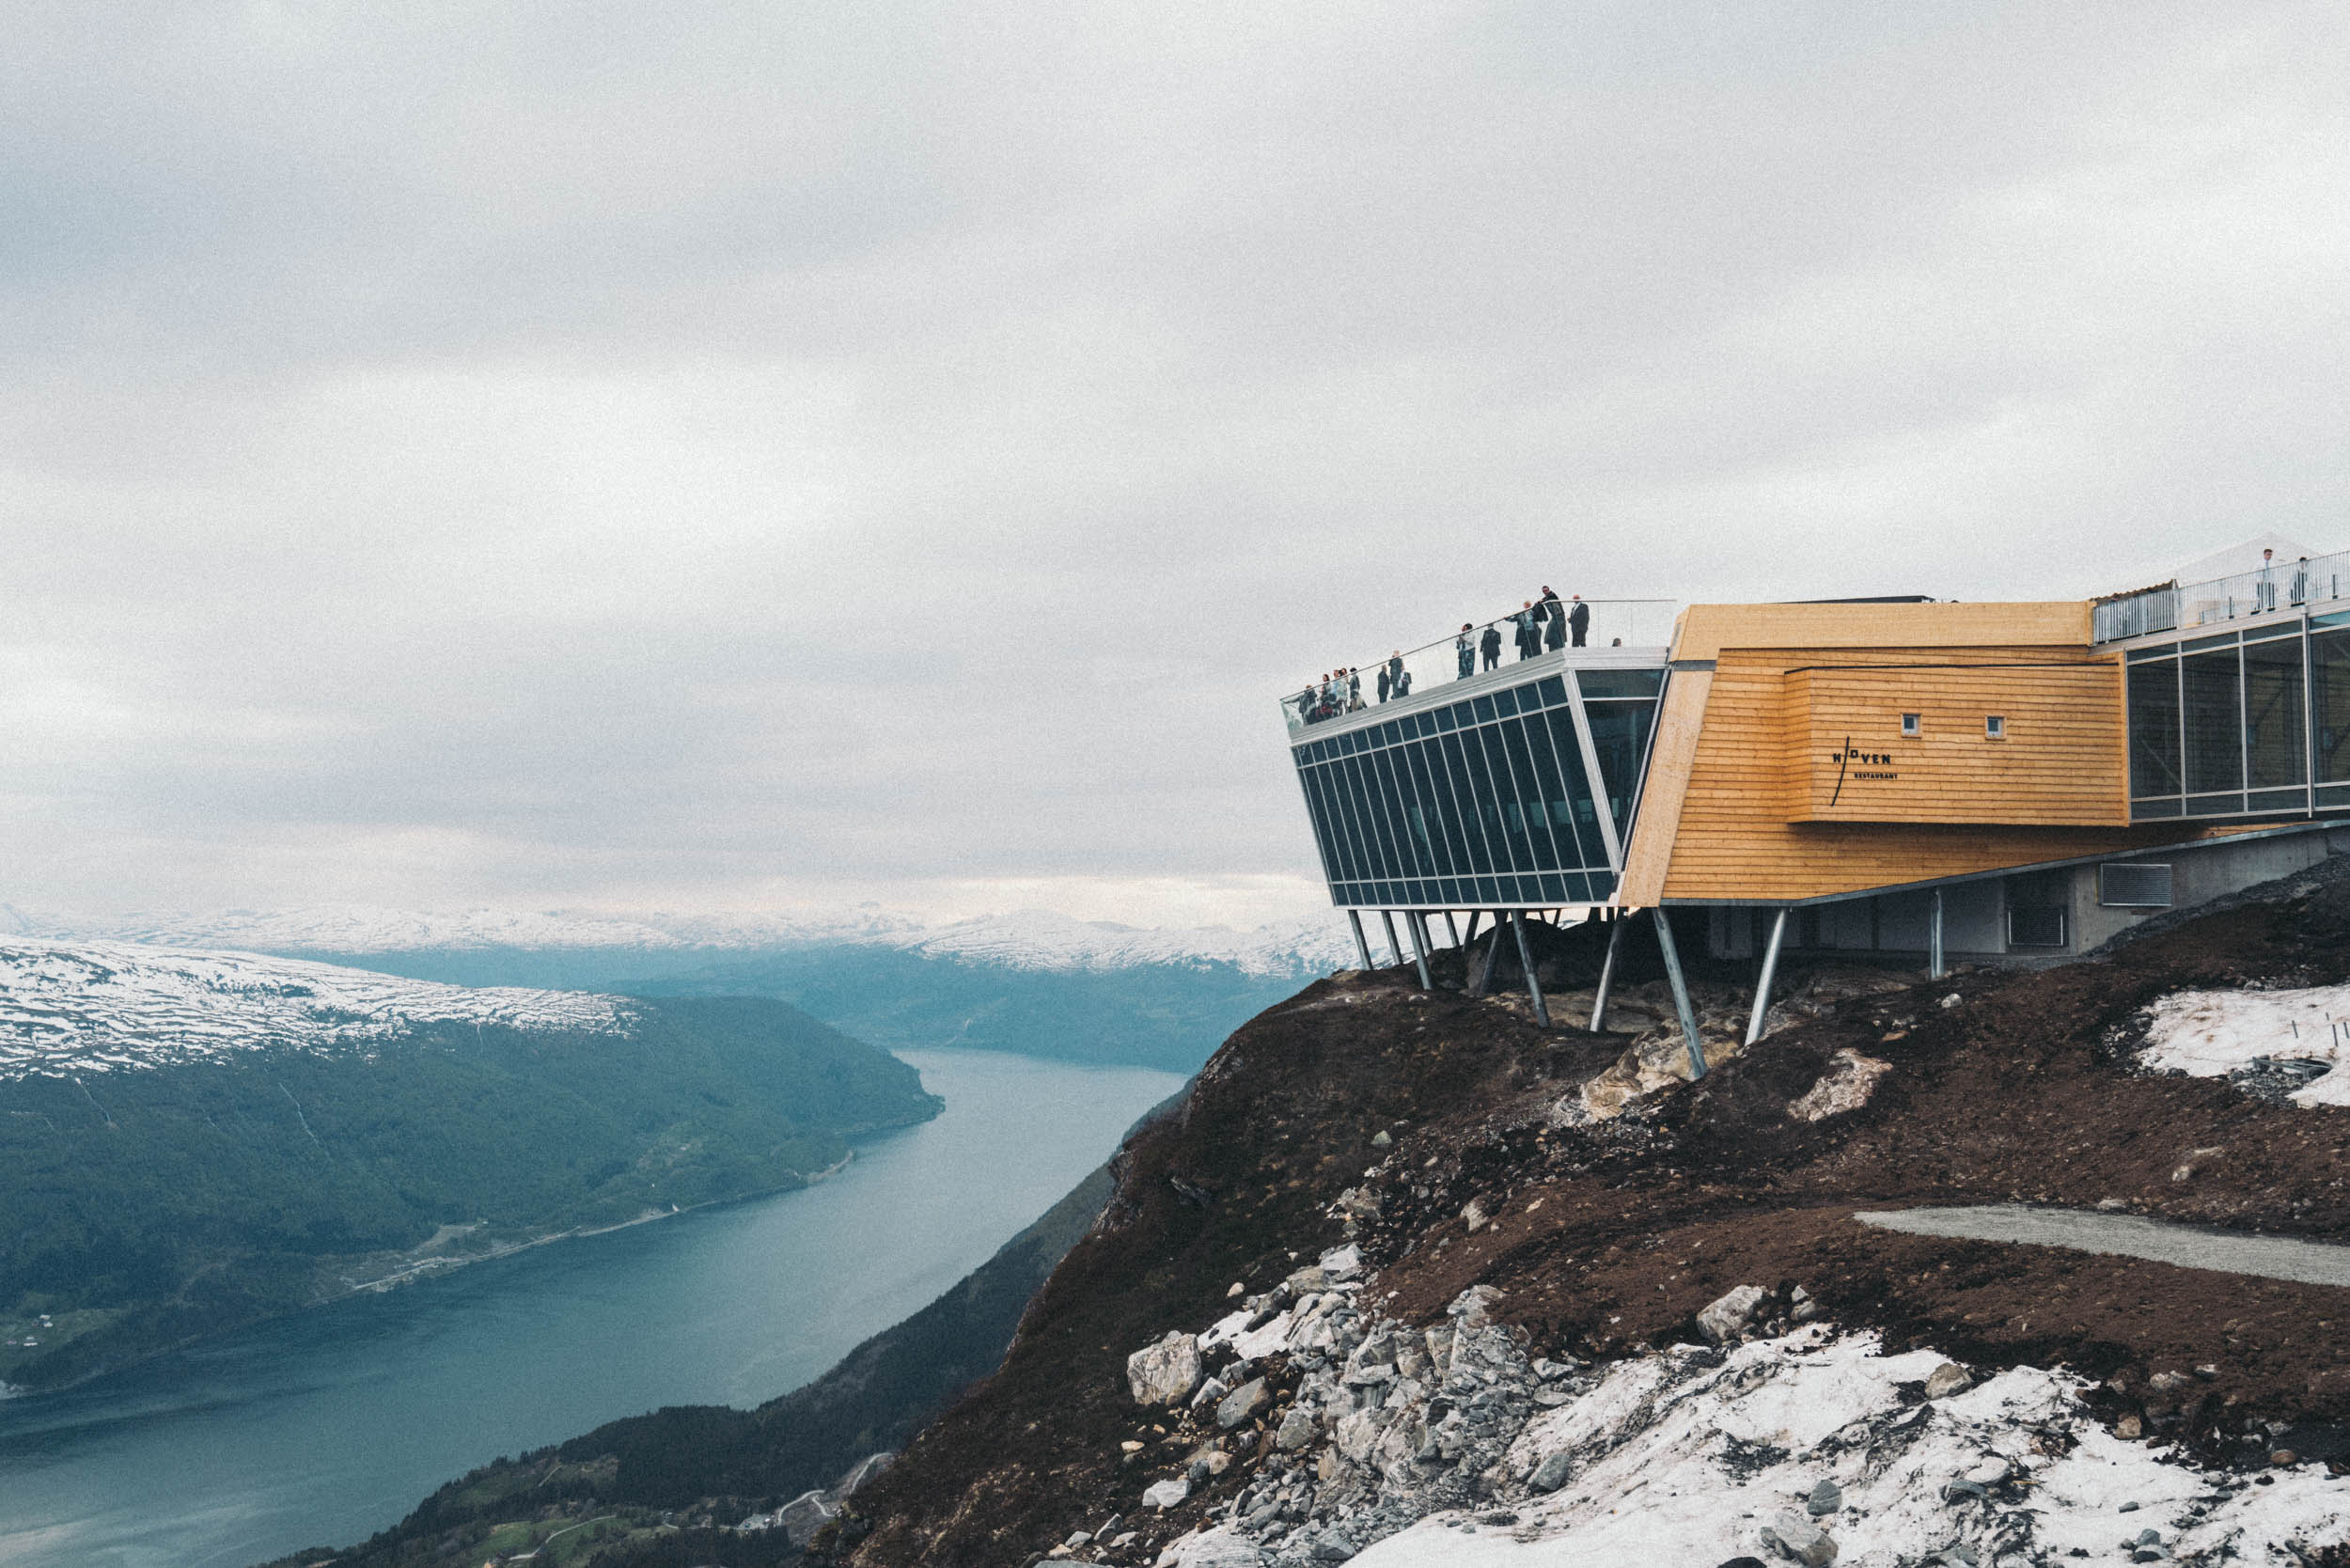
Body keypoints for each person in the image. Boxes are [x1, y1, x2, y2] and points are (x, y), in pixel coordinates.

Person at [1539, 586, 1565, 651]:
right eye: (1544, 591)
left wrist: (1542, 600)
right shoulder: (1547, 598)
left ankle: (1559, 647)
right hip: (1555, 616)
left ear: (1549, 590)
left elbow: (1549, 597)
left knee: (1556, 631)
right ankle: (1553, 647)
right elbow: (1545, 599)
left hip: (1559, 616)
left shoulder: (1552, 595)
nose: (1545, 592)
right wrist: (1541, 601)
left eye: (1546, 590)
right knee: (1551, 630)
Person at [2257, 548, 2278, 613]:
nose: (2269, 556)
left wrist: (2276, 585)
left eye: (2271, 555)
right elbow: (2257, 573)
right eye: (2268, 554)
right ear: (2264, 554)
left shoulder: (2272, 564)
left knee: (2271, 597)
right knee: (2262, 598)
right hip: (2262, 583)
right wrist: (2259, 580)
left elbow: (2274, 575)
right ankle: (2257, 610)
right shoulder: (2259, 563)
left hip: (2270, 583)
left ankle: (2271, 610)